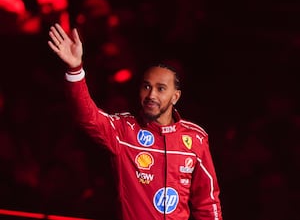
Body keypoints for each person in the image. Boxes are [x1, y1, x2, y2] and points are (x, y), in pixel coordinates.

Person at [48, 23, 223, 220]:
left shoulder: (196, 138)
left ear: (176, 96)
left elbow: (207, 203)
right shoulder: (124, 130)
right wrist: (75, 69)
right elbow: (87, 117)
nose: (151, 95)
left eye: (161, 88)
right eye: (146, 86)